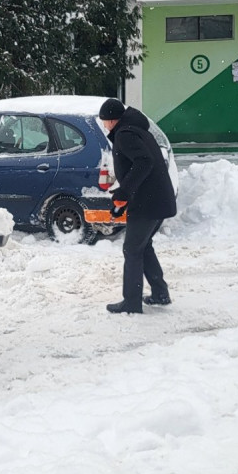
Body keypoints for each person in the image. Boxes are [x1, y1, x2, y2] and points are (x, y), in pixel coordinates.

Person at [99, 98, 177, 314]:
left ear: (112, 120)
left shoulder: (125, 134)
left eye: (104, 121)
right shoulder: (136, 130)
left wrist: (125, 191)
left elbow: (144, 162)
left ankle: (131, 302)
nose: (104, 125)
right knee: (143, 246)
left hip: (147, 203)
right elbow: (141, 167)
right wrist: (124, 197)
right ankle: (160, 293)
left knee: (132, 249)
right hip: (155, 200)